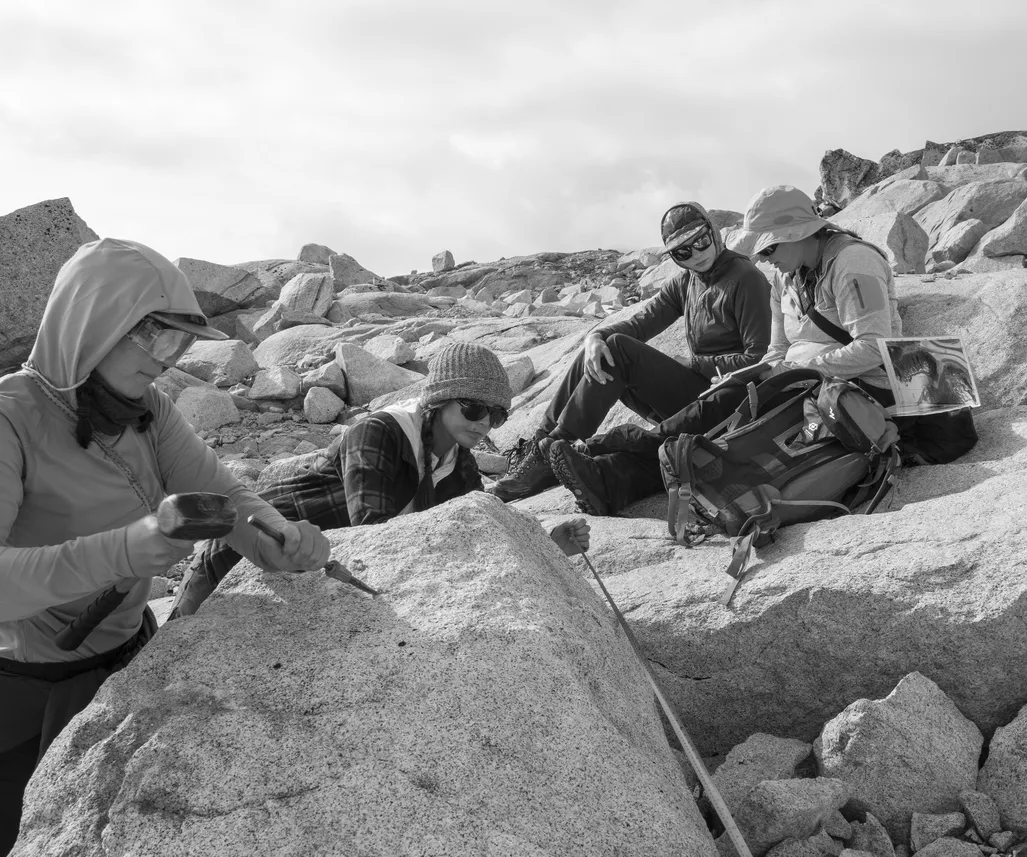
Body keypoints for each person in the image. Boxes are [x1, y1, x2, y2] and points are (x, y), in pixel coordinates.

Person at [0, 238, 334, 851]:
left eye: (178, 342)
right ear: (93, 319)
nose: (165, 359)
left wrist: (276, 541)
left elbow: (224, 499)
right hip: (23, 691)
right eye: (153, 336)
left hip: (130, 656)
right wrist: (127, 550)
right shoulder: (9, 418)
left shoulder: (147, 409)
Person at [546, 184, 976, 514]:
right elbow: (774, 352)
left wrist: (795, 371)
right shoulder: (784, 277)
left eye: (770, 247)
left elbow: (875, 348)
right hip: (807, 384)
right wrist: (760, 373)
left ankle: (623, 446)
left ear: (799, 233)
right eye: (762, 249)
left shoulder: (853, 262)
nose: (765, 257)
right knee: (727, 423)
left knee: (736, 424)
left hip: (861, 386)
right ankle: (612, 480)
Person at [170, 341, 591, 618]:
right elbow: (371, 532)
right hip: (244, 551)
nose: (485, 424)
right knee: (169, 651)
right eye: (474, 409)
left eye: (497, 415)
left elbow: (478, 539)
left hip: (311, 570)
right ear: (440, 400)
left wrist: (547, 550)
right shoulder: (381, 432)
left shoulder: (458, 465)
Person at [488, 201, 772, 503]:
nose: (697, 254)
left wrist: (693, 363)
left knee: (619, 350)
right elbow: (640, 323)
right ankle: (541, 444)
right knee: (599, 350)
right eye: (683, 252)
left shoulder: (746, 278)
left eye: (701, 241)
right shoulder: (687, 282)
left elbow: (757, 358)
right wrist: (595, 336)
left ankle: (553, 450)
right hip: (695, 396)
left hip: (726, 402)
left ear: (713, 231)